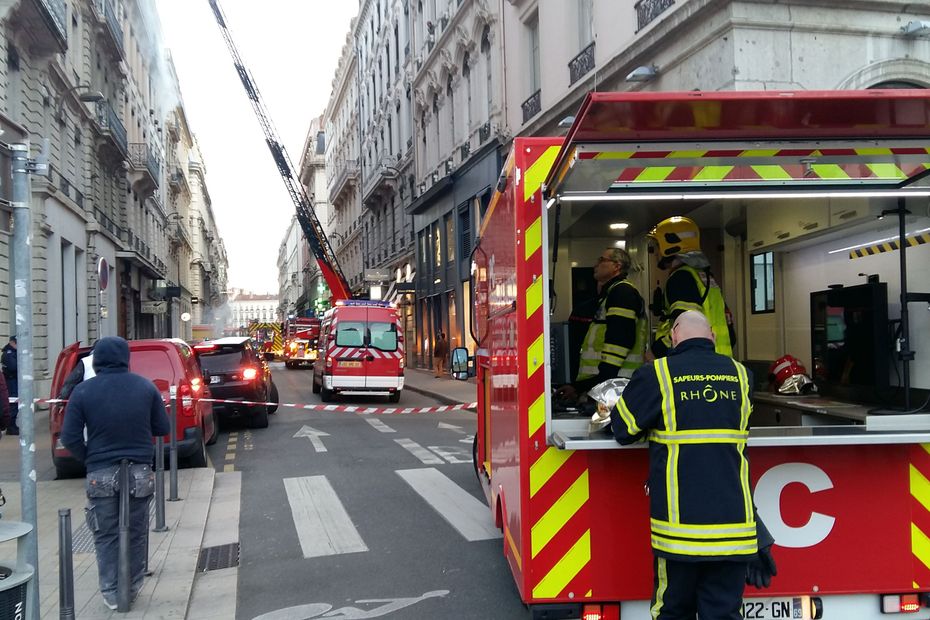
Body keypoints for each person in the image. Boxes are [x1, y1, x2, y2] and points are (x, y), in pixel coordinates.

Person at [610, 311, 776, 618]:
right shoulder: (742, 375)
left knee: (672, 611)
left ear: (673, 336)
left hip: (678, 532)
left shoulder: (657, 374)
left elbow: (623, 429)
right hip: (734, 530)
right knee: (724, 614)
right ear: (712, 335)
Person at [61, 337, 170, 610]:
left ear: (96, 361)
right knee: (136, 531)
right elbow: (162, 427)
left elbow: (70, 436)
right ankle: (132, 587)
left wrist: (90, 458)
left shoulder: (83, 392)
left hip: (101, 472)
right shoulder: (144, 387)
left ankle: (111, 591)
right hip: (139, 470)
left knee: (105, 534)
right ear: (126, 359)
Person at [557, 247, 647, 401]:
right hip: (608, 386)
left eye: (601, 260)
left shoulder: (622, 292)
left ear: (617, 266)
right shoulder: (611, 294)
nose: (595, 265)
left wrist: (603, 381)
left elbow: (620, 340)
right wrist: (580, 387)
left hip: (616, 387)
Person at [647, 216, 735, 359]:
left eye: (657, 245)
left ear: (669, 245)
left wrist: (656, 351)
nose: (656, 252)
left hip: (695, 363)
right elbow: (730, 332)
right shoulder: (705, 278)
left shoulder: (681, 279)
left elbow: (684, 325)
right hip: (719, 361)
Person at [1, 336, 17, 435]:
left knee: (15, 404)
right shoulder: (8, 354)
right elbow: (13, 367)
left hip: (13, 381)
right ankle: (10, 426)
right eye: (16, 343)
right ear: (11, 342)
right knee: (12, 404)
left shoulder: (12, 353)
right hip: (11, 381)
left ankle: (12, 424)